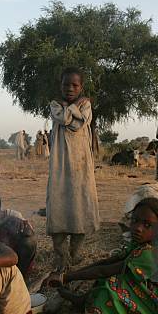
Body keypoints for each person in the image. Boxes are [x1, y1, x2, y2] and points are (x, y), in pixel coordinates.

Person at [47, 67, 100, 269]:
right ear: (60, 86)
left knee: (80, 206)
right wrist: (75, 106)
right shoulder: (54, 105)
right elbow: (64, 119)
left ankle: (75, 254)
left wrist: (74, 106)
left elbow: (77, 124)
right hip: (60, 165)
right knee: (59, 205)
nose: (69, 88)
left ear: (81, 87)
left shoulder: (86, 106)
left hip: (81, 165)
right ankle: (61, 256)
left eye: (74, 85)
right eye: (66, 84)